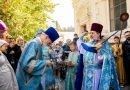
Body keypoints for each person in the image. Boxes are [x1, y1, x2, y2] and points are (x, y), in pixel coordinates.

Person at [75, 23, 119, 90]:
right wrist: (81, 37)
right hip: (86, 72)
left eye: (93, 33)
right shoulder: (89, 43)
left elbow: (108, 59)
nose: (91, 35)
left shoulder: (105, 45)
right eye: (90, 33)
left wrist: (99, 51)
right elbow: (80, 48)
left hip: (97, 73)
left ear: (98, 34)